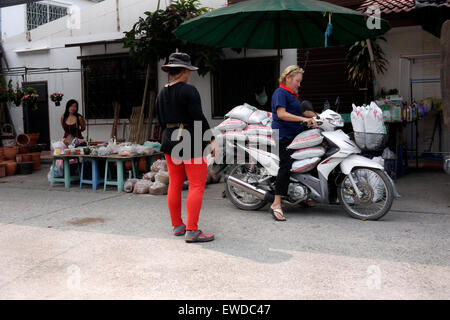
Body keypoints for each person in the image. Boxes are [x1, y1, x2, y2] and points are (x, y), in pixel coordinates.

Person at [155, 52, 218, 243]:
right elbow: (199, 117)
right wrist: (211, 140)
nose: (190, 74)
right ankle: (192, 230)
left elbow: (159, 120)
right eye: (189, 70)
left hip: (169, 140)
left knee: (174, 183)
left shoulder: (161, 93)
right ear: (183, 71)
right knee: (196, 185)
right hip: (189, 140)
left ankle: (178, 226)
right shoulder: (188, 90)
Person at [270, 65, 317, 221]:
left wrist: (320, 116)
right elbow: (281, 114)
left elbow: (303, 111)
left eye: (300, 81)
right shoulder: (280, 93)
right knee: (286, 164)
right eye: (297, 81)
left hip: (296, 136)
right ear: (288, 78)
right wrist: (304, 119)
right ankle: (276, 203)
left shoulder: (293, 95)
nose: (299, 84)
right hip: (284, 137)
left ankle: (303, 194)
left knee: (311, 159)